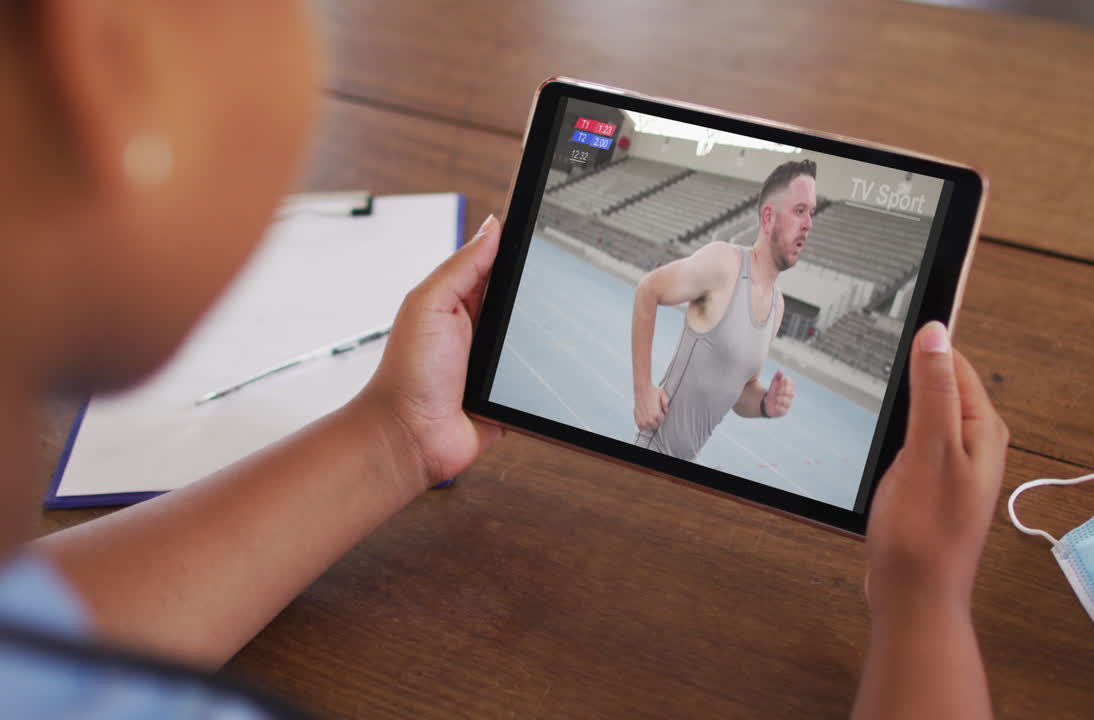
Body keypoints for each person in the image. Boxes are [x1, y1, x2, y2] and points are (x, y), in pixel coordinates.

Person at [0, 4, 1008, 718]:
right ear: (105, 58)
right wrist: (923, 600)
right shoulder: (713, 262)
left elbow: (39, 633)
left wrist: (396, 437)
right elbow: (650, 298)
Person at [630, 160, 812, 461]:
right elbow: (649, 289)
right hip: (654, 448)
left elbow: (741, 393)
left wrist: (765, 404)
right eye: (799, 211)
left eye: (811, 213)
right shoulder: (724, 263)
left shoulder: (777, 306)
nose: (808, 224)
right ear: (768, 217)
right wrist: (642, 390)